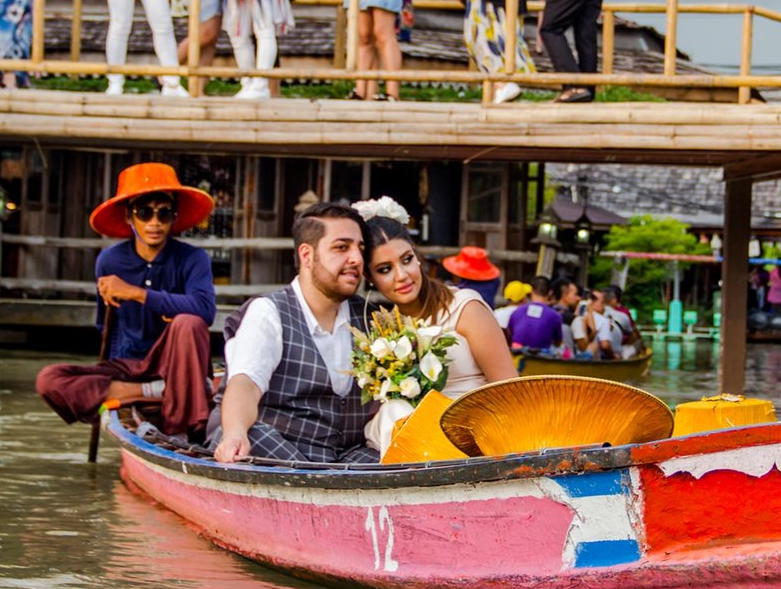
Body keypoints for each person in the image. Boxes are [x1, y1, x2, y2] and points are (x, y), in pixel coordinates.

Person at [35, 163, 216, 438]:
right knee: (49, 379)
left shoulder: (193, 259)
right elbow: (103, 325)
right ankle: (155, 391)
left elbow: (205, 310)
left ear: (173, 217)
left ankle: (180, 415)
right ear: (130, 217)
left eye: (163, 214)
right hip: (130, 364)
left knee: (188, 323)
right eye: (145, 213)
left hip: (178, 362)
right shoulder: (110, 261)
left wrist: (137, 293)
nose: (154, 223)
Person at [211, 203, 377, 465]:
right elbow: (245, 384)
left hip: (344, 456)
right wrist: (235, 432)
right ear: (307, 255)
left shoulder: (369, 318)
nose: (356, 259)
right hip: (279, 449)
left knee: (389, 458)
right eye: (342, 247)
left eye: (360, 249)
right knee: (255, 437)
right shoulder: (269, 313)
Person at [360, 207, 519, 402]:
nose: (402, 275)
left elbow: (511, 393)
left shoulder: (465, 308)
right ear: (369, 277)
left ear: (417, 257)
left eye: (407, 259)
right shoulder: (385, 333)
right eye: (385, 269)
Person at [508, 279, 566, 354]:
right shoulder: (555, 316)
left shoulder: (517, 312)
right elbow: (558, 342)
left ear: (531, 291)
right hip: (541, 359)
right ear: (550, 293)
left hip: (516, 356)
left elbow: (509, 335)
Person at [603, 285, 641, 358]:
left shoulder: (594, 312)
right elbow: (634, 334)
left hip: (605, 348)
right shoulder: (624, 313)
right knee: (638, 341)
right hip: (618, 348)